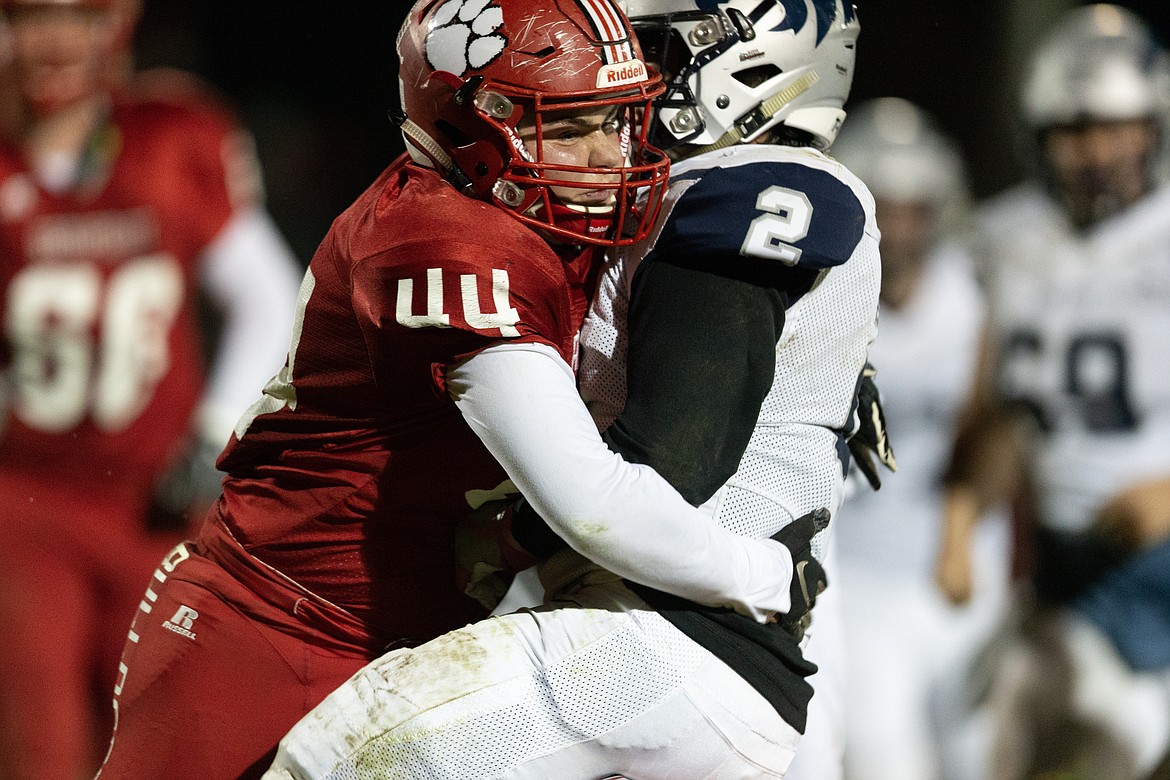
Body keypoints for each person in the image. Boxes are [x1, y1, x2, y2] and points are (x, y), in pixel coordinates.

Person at [96, 0, 821, 776]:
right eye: (572, 127)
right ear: (473, 128)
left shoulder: (536, 216)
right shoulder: (446, 240)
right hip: (278, 631)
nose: (613, 157)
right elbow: (593, 504)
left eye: (619, 120)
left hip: (420, 638)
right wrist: (765, 575)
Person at [0, 0, 302, 778]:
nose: (56, 39)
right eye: (30, 16)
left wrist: (214, 431)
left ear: (115, 25)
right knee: (41, 747)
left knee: (163, 737)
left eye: (77, 14)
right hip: (25, 503)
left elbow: (266, 295)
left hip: (158, 492)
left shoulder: (172, 133)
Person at [934, 5, 1170, 778]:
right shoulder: (1005, 237)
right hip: (1064, 551)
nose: (1096, 151)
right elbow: (989, 404)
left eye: (1115, 127)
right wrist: (963, 518)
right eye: (1072, 130)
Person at [829, 97, 1013, 780]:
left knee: (979, 757)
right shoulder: (818, 301)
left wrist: (962, 528)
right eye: (884, 211)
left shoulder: (971, 297)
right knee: (887, 762)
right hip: (856, 574)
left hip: (957, 563)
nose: (899, 232)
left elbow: (997, 424)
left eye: (916, 211)